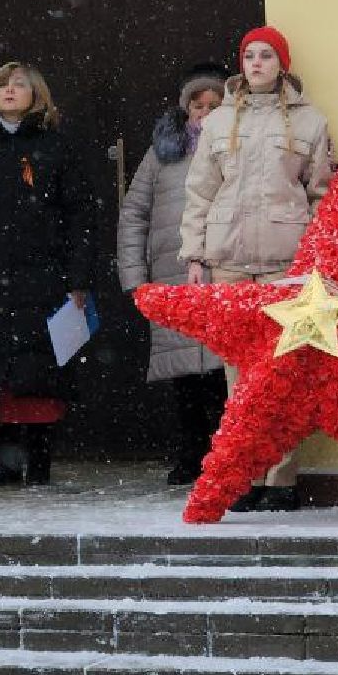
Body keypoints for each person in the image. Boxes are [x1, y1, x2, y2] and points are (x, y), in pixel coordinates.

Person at [178, 26, 335, 513]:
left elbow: (321, 195)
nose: (257, 64)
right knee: (239, 378)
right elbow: (200, 192)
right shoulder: (220, 121)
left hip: (284, 264)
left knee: (283, 374)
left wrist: (316, 260)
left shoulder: (310, 123)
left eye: (267, 56)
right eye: (249, 56)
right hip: (229, 261)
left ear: (282, 63)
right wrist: (196, 255)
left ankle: (281, 478)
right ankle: (244, 475)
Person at [0, 62, 96, 488]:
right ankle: (6, 459)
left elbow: (80, 216)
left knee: (38, 375)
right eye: (1, 86)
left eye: (19, 85)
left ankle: (40, 457)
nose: (9, 91)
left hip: (42, 278)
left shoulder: (56, 148)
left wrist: (78, 277)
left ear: (37, 95)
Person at [118, 66, 228, 486]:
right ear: (184, 111)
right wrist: (134, 277)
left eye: (213, 106)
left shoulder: (233, 149)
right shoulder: (163, 153)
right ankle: (189, 455)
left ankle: (222, 459)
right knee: (184, 377)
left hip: (221, 273)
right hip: (173, 276)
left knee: (222, 373)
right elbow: (135, 214)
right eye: (197, 106)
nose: (204, 113)